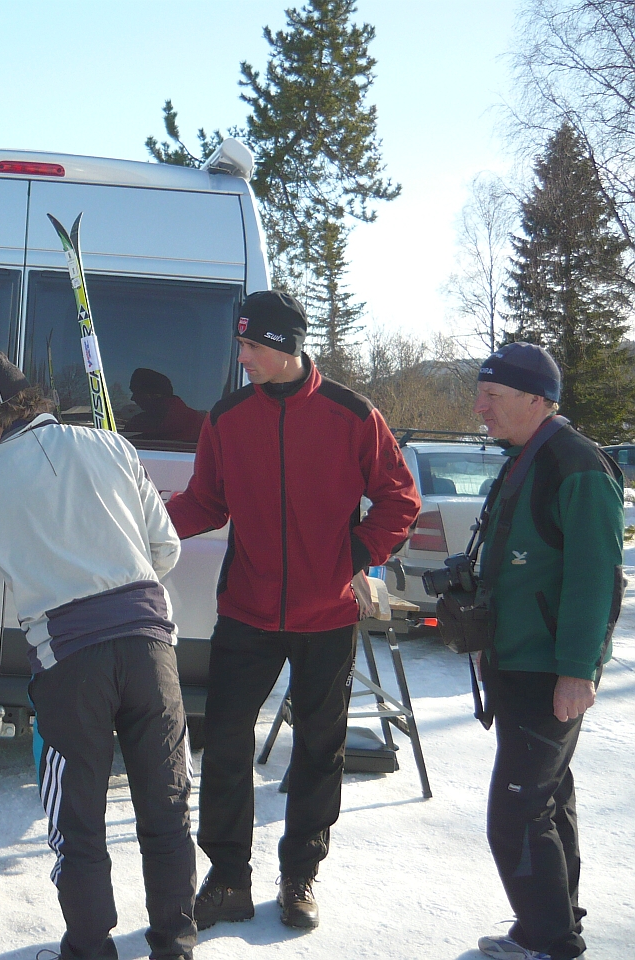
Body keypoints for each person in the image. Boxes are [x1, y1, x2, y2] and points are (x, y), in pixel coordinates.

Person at [0, 348, 197, 960]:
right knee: (167, 805)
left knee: (79, 821)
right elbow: (167, 549)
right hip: (152, 650)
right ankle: (175, 945)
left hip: (70, 663)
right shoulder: (112, 446)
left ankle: (89, 949)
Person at [165, 290, 420, 931]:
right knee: (226, 743)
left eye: (252, 345)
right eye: (241, 343)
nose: (243, 356)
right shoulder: (227, 418)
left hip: (327, 616)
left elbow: (399, 499)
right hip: (246, 611)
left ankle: (300, 875)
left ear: (285, 347)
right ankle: (227, 878)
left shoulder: (352, 414)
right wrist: (146, 525)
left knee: (319, 748)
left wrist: (352, 556)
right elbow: (206, 502)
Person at [468, 343, 623, 960]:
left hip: (548, 671)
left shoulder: (576, 464)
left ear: (537, 400)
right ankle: (553, 927)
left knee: (516, 814)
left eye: (493, 396)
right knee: (547, 801)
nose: (480, 408)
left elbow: (596, 578)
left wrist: (578, 671)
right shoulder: (523, 458)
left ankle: (550, 944)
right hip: (516, 663)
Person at [124, 368, 205, 444]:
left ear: (153, 395)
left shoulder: (140, 424)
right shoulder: (200, 423)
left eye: (136, 392)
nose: (132, 398)